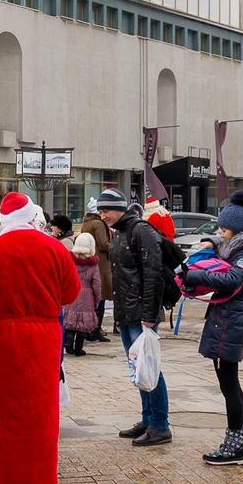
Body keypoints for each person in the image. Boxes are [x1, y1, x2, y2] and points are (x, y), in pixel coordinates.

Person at [0, 192, 80, 484]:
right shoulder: (55, 248)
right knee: (42, 413)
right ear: (32, 217)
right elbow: (70, 293)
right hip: (45, 339)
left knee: (9, 414)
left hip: (5, 341)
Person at [180, 190, 243, 465]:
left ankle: (233, 447)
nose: (219, 233)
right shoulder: (242, 246)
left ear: (236, 230)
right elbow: (225, 249)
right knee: (231, 383)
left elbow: (232, 278)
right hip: (227, 317)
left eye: (223, 229)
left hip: (229, 319)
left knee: (229, 385)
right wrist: (211, 242)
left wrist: (193, 275)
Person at [98, 189, 168, 445]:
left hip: (141, 313)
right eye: (100, 211)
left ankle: (160, 425)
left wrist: (149, 314)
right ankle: (147, 420)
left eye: (106, 210)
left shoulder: (141, 231)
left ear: (120, 209)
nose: (103, 216)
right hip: (127, 313)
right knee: (138, 369)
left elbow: (153, 275)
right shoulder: (120, 232)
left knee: (149, 368)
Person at [78, 199, 114, 342]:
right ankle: (95, 330)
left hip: (90, 262)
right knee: (101, 298)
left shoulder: (86, 223)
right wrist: (116, 246)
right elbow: (103, 244)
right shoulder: (98, 224)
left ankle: (88, 330)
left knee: (92, 300)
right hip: (101, 264)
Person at [62, 231, 102, 356]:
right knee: (83, 324)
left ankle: (68, 342)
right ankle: (79, 349)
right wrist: (97, 298)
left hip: (72, 291)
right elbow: (97, 283)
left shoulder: (70, 260)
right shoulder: (93, 265)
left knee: (70, 320)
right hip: (87, 294)